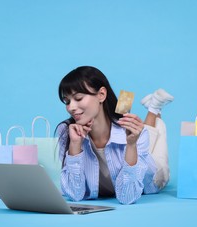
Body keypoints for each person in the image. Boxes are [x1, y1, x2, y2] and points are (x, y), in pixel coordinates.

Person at [56, 66, 173, 205]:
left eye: (78, 98)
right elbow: (73, 195)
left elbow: (128, 198)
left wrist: (131, 144)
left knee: (153, 136)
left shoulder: (129, 131)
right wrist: (75, 145)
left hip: (151, 177)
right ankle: (153, 108)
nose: (71, 107)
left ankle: (154, 109)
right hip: (131, 134)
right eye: (67, 101)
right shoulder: (67, 132)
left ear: (101, 95)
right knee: (141, 132)